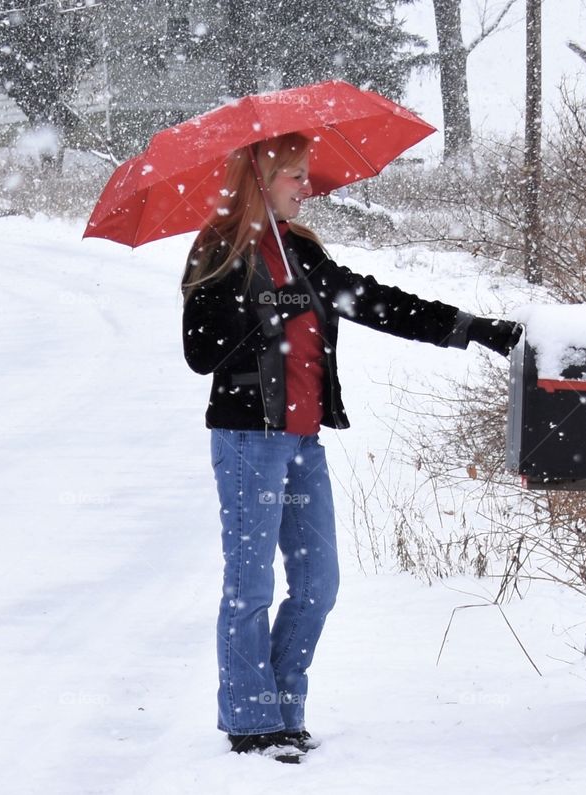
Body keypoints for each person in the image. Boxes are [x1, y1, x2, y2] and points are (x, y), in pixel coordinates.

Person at [180, 132, 522, 764]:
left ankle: (282, 706)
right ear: (261, 178)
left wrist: (473, 330)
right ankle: (252, 723)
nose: (306, 186)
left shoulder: (302, 252)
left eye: (306, 174)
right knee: (250, 586)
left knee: (318, 584)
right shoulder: (219, 252)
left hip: (303, 441)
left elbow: (378, 303)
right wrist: (259, 308)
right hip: (248, 439)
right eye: (295, 176)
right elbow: (200, 352)